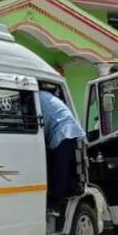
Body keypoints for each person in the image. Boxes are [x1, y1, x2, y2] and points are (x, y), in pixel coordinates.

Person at [39, 86, 85, 216]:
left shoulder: (35, 98)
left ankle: (54, 206)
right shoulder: (44, 96)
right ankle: (75, 187)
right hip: (67, 131)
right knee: (60, 168)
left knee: (59, 170)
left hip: (63, 132)